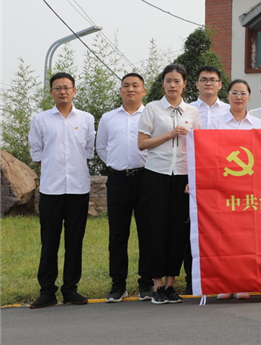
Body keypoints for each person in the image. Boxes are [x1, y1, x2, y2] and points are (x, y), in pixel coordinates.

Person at [28, 72, 95, 309]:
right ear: (51, 92)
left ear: (74, 90)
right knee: (49, 242)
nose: (63, 91)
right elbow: (37, 154)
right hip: (51, 190)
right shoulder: (40, 120)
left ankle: (70, 290)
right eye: (58, 88)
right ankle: (47, 291)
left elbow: (88, 152)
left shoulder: (86, 119)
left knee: (74, 241)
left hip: (78, 189)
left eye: (67, 87)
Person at [138, 64, 201, 304]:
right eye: (168, 81)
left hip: (182, 178)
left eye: (177, 81)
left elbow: (198, 147)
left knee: (178, 231)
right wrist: (170, 134)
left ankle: (171, 285)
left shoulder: (192, 112)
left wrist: (193, 178)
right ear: (163, 84)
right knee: (156, 230)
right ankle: (157, 286)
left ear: (185, 84)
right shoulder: (152, 109)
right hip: (156, 174)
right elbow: (142, 144)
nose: (172, 85)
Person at [96, 73, 154, 303]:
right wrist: (117, 165)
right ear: (120, 90)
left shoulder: (152, 115)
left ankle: (146, 283)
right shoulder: (108, 118)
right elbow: (102, 148)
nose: (130, 89)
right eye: (126, 85)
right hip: (118, 180)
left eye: (135, 85)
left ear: (143, 90)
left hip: (146, 179)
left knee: (147, 233)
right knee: (118, 235)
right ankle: (118, 285)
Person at [207, 79, 261, 300]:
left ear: (249, 97)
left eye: (243, 93)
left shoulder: (258, 124)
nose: (238, 97)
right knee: (225, 236)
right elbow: (208, 154)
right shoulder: (216, 124)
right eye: (234, 93)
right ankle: (226, 283)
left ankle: (244, 283)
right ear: (227, 96)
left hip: (250, 187)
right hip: (224, 187)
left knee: (248, 236)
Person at [185, 65, 228, 293]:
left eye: (213, 79)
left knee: (223, 229)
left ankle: (225, 277)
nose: (208, 83)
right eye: (204, 79)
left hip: (225, 178)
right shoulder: (187, 110)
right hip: (192, 176)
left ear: (220, 84)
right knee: (192, 227)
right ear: (196, 84)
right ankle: (192, 279)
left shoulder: (230, 110)